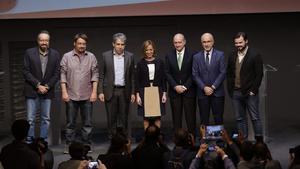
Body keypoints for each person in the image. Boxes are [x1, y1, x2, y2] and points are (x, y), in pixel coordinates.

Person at [60, 33, 99, 149]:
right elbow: (62, 75)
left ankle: (86, 145)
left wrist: (94, 92)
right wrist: (64, 92)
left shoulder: (91, 57)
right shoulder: (66, 57)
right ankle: (69, 145)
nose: (82, 46)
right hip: (71, 95)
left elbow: (95, 76)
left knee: (87, 123)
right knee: (70, 123)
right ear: (74, 43)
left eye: (84, 44)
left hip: (87, 95)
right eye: (80, 43)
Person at [23, 30, 60, 143]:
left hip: (47, 92)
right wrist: (38, 85)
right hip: (32, 90)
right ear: (38, 41)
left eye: (46, 40)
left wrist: (47, 86)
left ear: (49, 42)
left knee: (46, 119)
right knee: (30, 119)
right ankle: (29, 140)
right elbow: (25, 71)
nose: (44, 42)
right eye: (42, 40)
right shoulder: (29, 53)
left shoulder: (55, 54)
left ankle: (42, 141)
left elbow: (57, 73)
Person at [226, 32, 264, 141]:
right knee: (239, 119)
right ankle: (243, 141)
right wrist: (231, 90)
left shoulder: (255, 55)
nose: (238, 45)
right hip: (236, 92)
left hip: (249, 93)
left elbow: (259, 74)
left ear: (246, 41)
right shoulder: (232, 55)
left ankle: (259, 143)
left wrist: (254, 90)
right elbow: (229, 73)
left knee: (255, 118)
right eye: (236, 43)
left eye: (240, 42)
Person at [98, 33, 135, 138]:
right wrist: (100, 91)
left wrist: (132, 93)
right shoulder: (105, 56)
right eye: (118, 44)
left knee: (124, 117)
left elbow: (132, 76)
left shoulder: (130, 56)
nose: (120, 46)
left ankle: (125, 139)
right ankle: (112, 140)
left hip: (124, 91)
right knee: (111, 118)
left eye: (122, 44)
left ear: (125, 45)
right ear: (113, 44)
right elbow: (101, 75)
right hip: (110, 91)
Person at [165, 33, 197, 135]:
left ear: (184, 42)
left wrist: (185, 86)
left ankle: (191, 141)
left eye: (179, 42)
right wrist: (175, 86)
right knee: (176, 119)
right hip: (175, 92)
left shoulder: (192, 54)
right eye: (175, 42)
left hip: (189, 91)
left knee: (190, 118)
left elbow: (194, 73)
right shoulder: (169, 55)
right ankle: (177, 143)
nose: (177, 44)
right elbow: (167, 73)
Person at [192, 33, 226, 125]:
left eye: (208, 41)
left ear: (213, 42)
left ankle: (219, 138)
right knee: (203, 118)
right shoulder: (196, 57)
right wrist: (204, 87)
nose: (206, 44)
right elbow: (195, 74)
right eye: (204, 42)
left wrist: (213, 87)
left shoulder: (220, 55)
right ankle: (204, 138)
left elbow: (223, 72)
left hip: (217, 92)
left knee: (218, 117)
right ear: (201, 43)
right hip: (203, 93)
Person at [135, 40, 167, 129]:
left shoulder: (160, 62)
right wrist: (138, 95)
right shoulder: (140, 63)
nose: (149, 52)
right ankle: (147, 138)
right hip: (144, 91)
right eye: (147, 50)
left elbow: (163, 79)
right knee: (146, 117)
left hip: (157, 90)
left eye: (151, 49)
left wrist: (164, 93)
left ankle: (157, 138)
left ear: (154, 50)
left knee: (158, 116)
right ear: (144, 51)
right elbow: (137, 81)